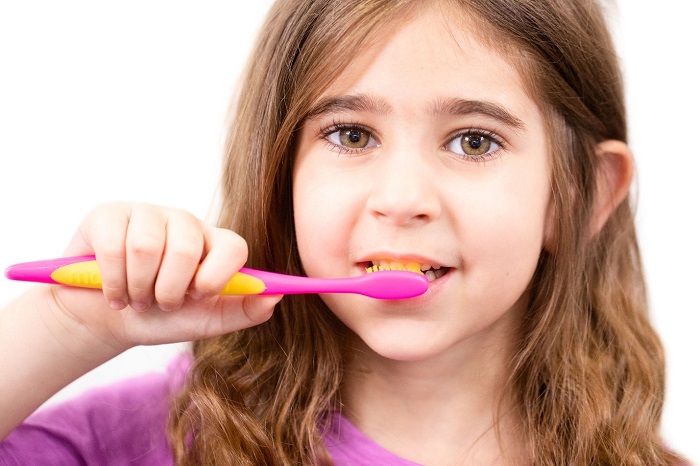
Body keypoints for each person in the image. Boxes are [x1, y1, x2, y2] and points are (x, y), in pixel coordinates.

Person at [0, 0, 688, 464]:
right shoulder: (153, 440)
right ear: (281, 173)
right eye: (351, 134)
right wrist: (66, 327)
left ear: (578, 195)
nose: (402, 199)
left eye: (474, 142)